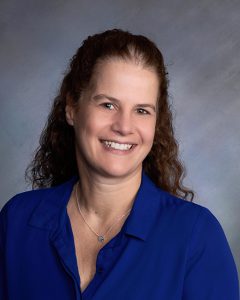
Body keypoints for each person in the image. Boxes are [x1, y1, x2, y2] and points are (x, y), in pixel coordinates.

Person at [0, 29, 239, 300]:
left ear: (155, 122)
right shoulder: (17, 222)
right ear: (72, 107)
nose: (124, 127)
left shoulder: (195, 237)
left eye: (141, 110)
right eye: (108, 105)